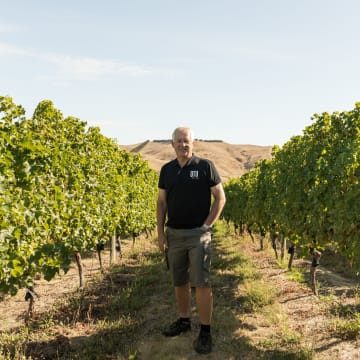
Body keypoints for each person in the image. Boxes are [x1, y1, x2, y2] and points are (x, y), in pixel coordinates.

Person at [156, 126, 226, 354]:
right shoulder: (167, 170)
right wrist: (160, 233)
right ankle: (184, 321)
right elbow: (161, 203)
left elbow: (220, 198)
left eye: (186, 141)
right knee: (179, 281)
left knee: (202, 283)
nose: (182, 145)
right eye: (179, 141)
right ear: (172, 143)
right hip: (174, 234)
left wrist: (207, 225)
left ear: (192, 143)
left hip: (198, 235)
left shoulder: (205, 166)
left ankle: (205, 331)